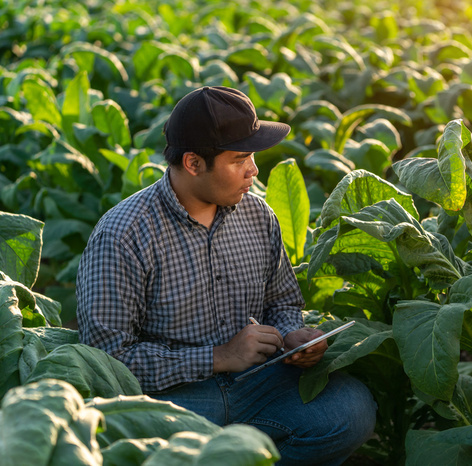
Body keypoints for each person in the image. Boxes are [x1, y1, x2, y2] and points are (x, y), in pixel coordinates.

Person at [76, 86, 376, 465]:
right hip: (175, 398)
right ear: (193, 163)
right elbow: (108, 360)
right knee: (144, 448)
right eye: (240, 159)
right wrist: (219, 356)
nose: (253, 170)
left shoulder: (257, 214)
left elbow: (281, 301)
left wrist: (291, 338)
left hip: (258, 382)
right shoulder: (123, 235)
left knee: (351, 411)